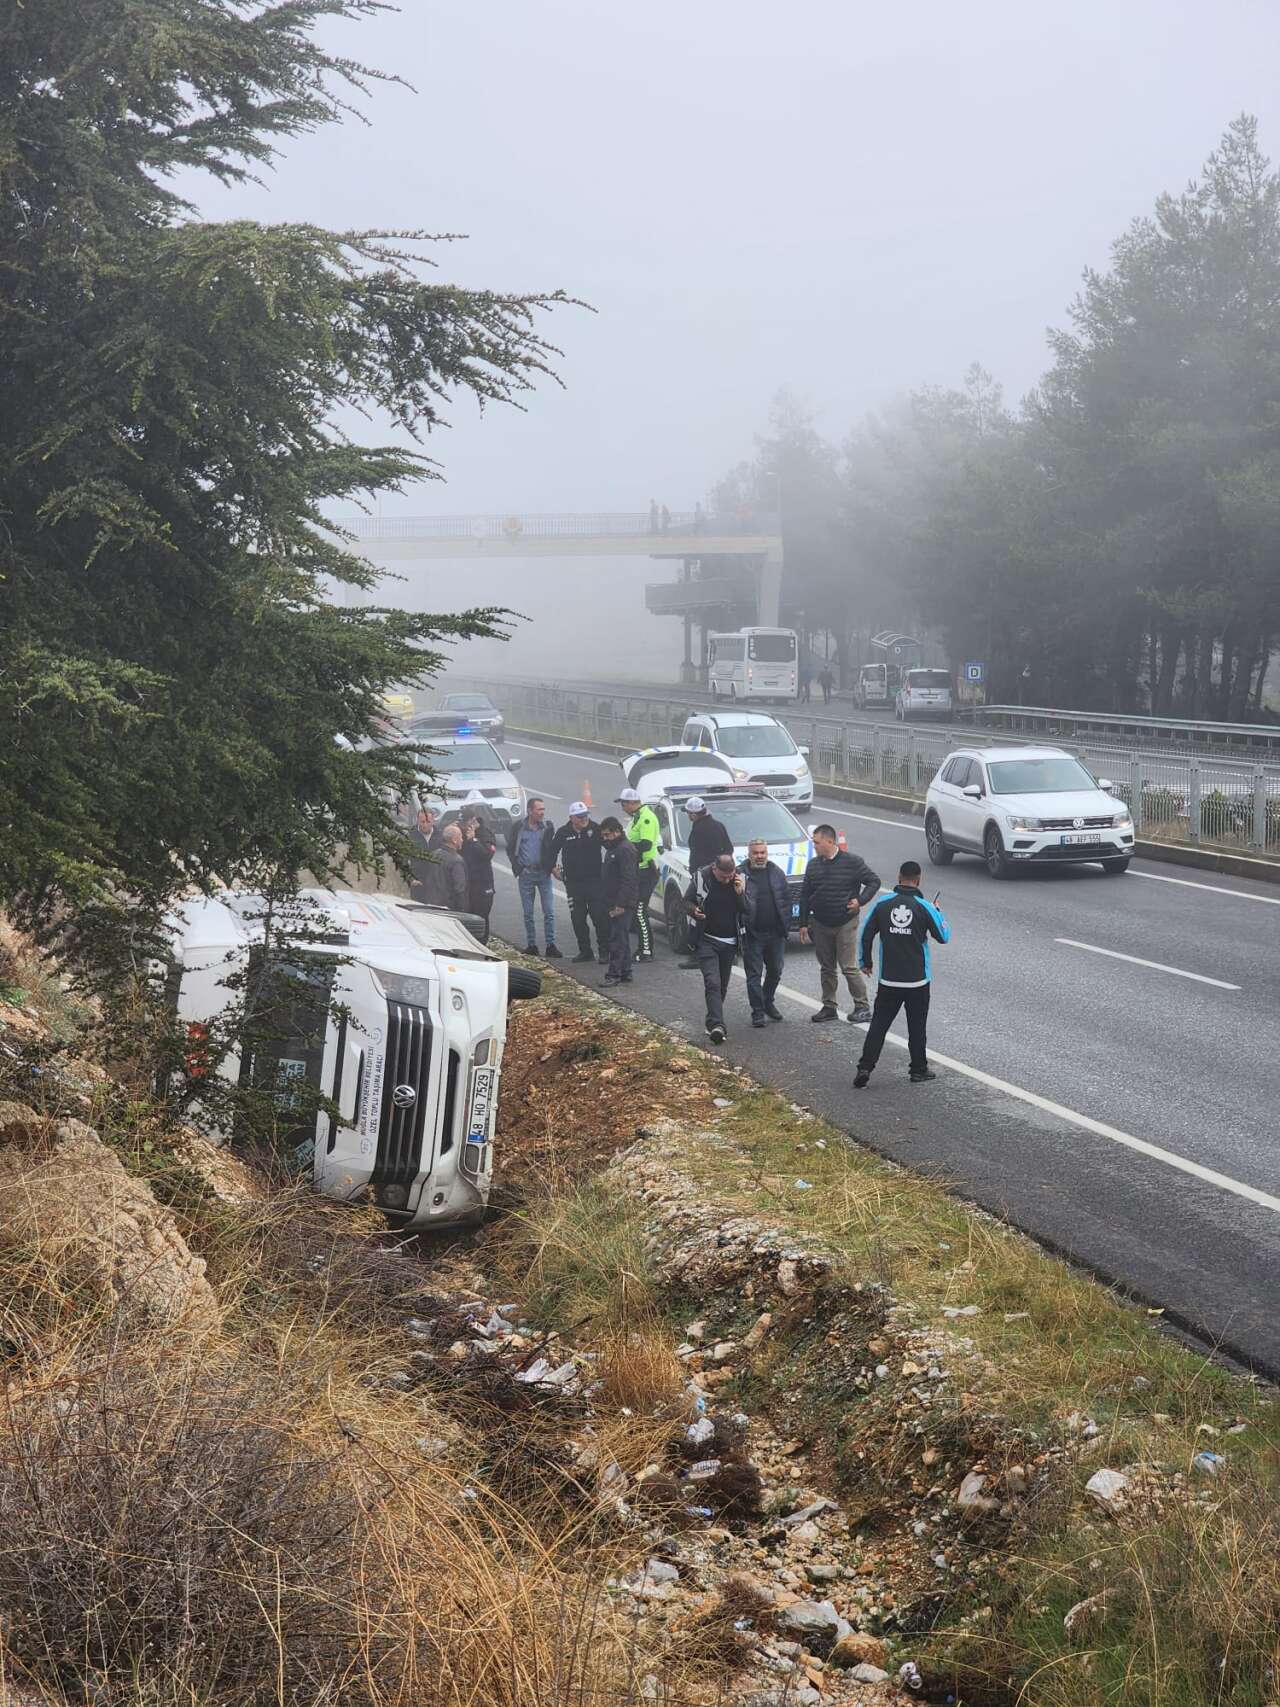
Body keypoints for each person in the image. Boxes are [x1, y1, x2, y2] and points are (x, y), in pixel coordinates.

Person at [855, 861, 950, 1086]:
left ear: (899, 877)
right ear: (919, 879)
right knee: (917, 1027)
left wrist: (865, 962)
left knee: (878, 1025)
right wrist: (938, 912)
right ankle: (918, 1070)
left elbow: (865, 933)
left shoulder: (882, 904)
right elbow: (943, 936)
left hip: (889, 980)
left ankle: (864, 1068)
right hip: (918, 981)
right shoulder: (924, 907)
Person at [798, 825, 880, 1024]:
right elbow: (805, 895)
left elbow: (873, 881)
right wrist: (802, 923)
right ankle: (829, 1007)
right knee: (826, 967)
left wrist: (860, 900)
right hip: (820, 922)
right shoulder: (813, 865)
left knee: (848, 966)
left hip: (845, 922)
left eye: (816, 842)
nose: (814, 846)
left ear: (830, 841)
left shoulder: (852, 862)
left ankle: (862, 1007)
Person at [684, 853, 746, 1044]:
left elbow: (749, 910)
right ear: (714, 869)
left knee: (722, 985)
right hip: (706, 939)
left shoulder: (741, 879)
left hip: (730, 942)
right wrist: (694, 911)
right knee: (712, 982)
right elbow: (686, 901)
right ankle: (719, 1025)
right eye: (722, 876)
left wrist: (740, 893)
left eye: (730, 876)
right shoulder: (701, 878)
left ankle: (712, 1021)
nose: (727, 880)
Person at [677, 797, 735, 968]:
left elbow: (696, 855)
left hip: (703, 877)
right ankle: (729, 952)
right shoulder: (718, 825)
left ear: (694, 814)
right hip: (720, 875)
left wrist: (699, 872)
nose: (688, 816)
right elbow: (729, 849)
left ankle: (697, 954)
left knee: (697, 913)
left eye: (688, 813)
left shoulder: (698, 830)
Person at [740, 838, 789, 1027]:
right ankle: (758, 1011)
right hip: (753, 934)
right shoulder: (740, 873)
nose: (759, 856)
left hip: (775, 933)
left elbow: (785, 899)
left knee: (775, 971)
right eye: (756, 853)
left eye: (763, 853)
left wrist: (785, 925)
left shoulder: (777, 872)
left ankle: (768, 1002)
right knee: (754, 975)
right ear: (749, 854)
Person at [552, 802, 609, 963]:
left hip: (595, 882)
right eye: (580, 816)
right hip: (573, 884)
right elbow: (551, 851)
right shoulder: (563, 832)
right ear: (571, 818)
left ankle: (605, 951)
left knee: (599, 917)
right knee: (578, 919)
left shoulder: (596, 829)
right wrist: (552, 868)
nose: (584, 819)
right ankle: (585, 951)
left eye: (586, 815)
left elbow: (611, 846)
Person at [505, 796, 561, 958]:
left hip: (543, 874)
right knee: (528, 913)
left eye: (543, 809)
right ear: (530, 811)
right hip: (526, 875)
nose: (542, 813)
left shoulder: (547, 827)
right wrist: (519, 869)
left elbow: (551, 850)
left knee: (549, 912)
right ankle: (532, 945)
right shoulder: (518, 827)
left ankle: (551, 945)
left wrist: (551, 868)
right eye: (539, 810)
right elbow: (510, 849)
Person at [618, 787, 661, 960]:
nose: (622, 807)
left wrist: (627, 853)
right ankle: (643, 948)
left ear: (632, 803)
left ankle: (646, 950)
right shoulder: (636, 818)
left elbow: (646, 845)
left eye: (623, 804)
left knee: (640, 909)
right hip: (638, 869)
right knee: (636, 909)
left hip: (646, 870)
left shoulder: (646, 818)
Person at [599, 816, 639, 985]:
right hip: (615, 901)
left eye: (608, 835)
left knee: (616, 940)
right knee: (621, 938)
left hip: (622, 903)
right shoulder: (615, 847)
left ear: (617, 832)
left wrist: (620, 905)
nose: (605, 839)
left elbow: (628, 879)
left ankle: (614, 975)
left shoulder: (624, 849)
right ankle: (625, 972)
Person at [459, 800, 497, 941]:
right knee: (467, 917)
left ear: (473, 820)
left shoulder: (485, 833)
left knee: (481, 918)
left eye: (466, 823)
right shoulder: (461, 831)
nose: (464, 826)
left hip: (483, 885)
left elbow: (488, 854)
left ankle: (482, 945)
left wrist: (473, 840)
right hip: (468, 883)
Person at [416, 822, 469, 911]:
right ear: (454, 840)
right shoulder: (457, 861)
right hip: (448, 909)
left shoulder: (433, 854)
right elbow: (460, 890)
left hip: (430, 905)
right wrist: (462, 910)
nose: (462, 840)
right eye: (460, 837)